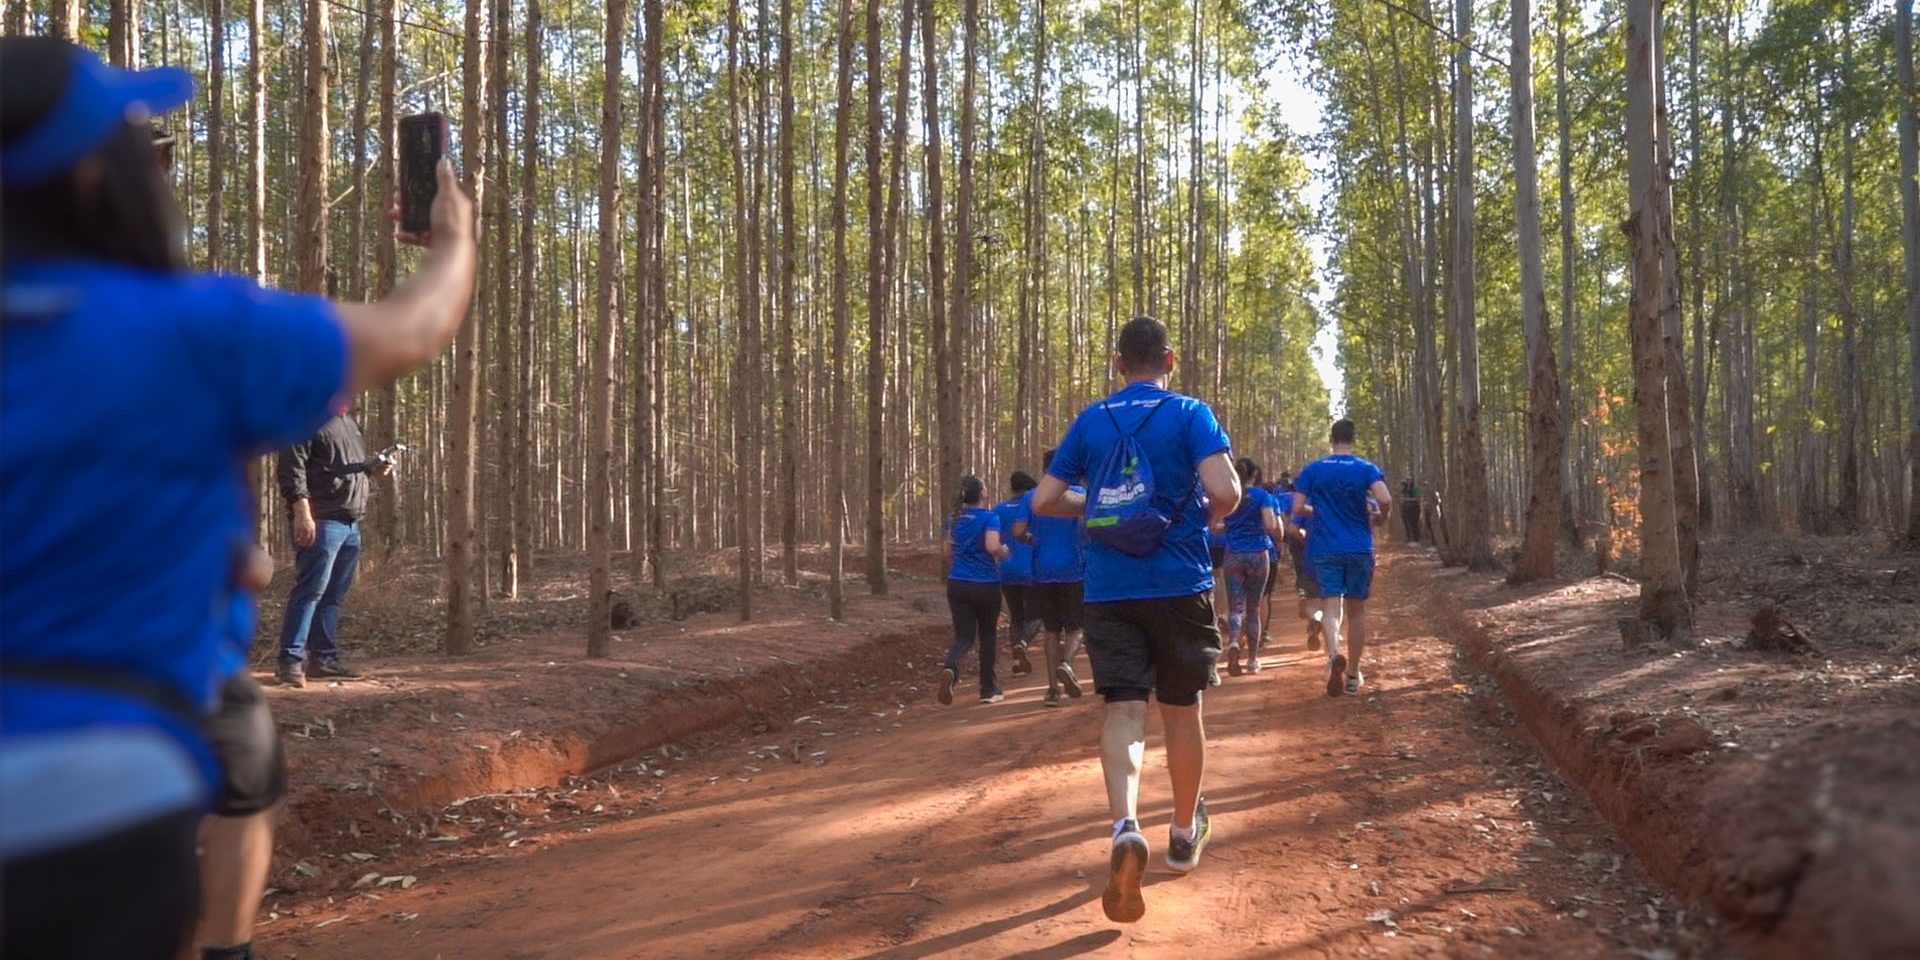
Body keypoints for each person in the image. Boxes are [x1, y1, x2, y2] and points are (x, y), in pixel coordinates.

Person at [0, 37, 476, 960]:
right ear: (94, 182)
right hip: (100, 804)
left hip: (124, 772)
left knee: (249, 750)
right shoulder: (189, 332)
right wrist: (452, 233)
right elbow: (414, 326)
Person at [1031, 316, 1240, 924]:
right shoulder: (1192, 414)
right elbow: (1225, 489)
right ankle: (1180, 831)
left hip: (1108, 590)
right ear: (1169, 360)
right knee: (1182, 710)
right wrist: (1198, 517)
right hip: (1180, 584)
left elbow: (1045, 500)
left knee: (1123, 707)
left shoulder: (1092, 421)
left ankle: (1125, 825)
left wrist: (1095, 507)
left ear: (1118, 363)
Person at [274, 410, 390, 688]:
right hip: (321, 519)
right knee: (310, 590)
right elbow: (292, 468)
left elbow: (340, 468)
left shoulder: (348, 423)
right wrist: (302, 511)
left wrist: (373, 469)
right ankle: (290, 661)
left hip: (350, 522)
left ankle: (323, 660)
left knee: (333, 595)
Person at [1291, 420, 1393, 698]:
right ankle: (1352, 675)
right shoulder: (1366, 469)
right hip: (1359, 547)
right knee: (1357, 611)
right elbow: (1385, 499)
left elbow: (1297, 507)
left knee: (1331, 607)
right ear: (1353, 439)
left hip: (1325, 548)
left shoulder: (1314, 469)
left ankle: (1334, 654)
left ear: (1331, 439)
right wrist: (1381, 518)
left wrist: (1321, 512)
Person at [1015, 449, 1089, 706]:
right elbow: (1087, 528)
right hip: (1074, 568)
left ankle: (1052, 690)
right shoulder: (1080, 495)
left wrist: (1033, 540)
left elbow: (1018, 531)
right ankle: (1068, 664)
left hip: (1043, 569)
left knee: (1051, 630)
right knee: (1076, 626)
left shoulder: (1031, 497)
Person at [939, 475, 1013, 706]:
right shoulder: (991, 518)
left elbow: (947, 553)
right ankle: (988, 689)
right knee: (988, 635)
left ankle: (951, 666)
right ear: (982, 493)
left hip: (957, 584)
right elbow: (992, 546)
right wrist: (1003, 550)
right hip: (985, 584)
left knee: (963, 636)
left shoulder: (952, 519)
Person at [1212, 457, 1281, 676]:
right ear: (1254, 475)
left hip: (1233, 555)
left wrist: (1232, 529)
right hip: (1259, 555)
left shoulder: (1230, 497)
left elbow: (1215, 526)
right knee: (1253, 609)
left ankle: (1233, 642)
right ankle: (1252, 660)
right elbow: (1270, 524)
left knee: (1236, 608)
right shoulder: (1263, 496)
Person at [992, 471, 1041, 677]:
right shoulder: (1034, 506)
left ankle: (1017, 661)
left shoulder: (998, 509)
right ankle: (1023, 643)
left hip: (1007, 570)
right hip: (1031, 568)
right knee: (1038, 616)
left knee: (1016, 617)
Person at [1400, 477, 1422, 544]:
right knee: (1407, 524)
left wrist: (1406, 500)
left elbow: (1417, 499)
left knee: (1414, 524)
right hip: (1406, 508)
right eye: (1407, 480)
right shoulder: (1405, 489)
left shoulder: (1414, 489)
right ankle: (1409, 539)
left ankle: (1416, 540)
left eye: (1409, 480)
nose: (1408, 481)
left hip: (1414, 508)